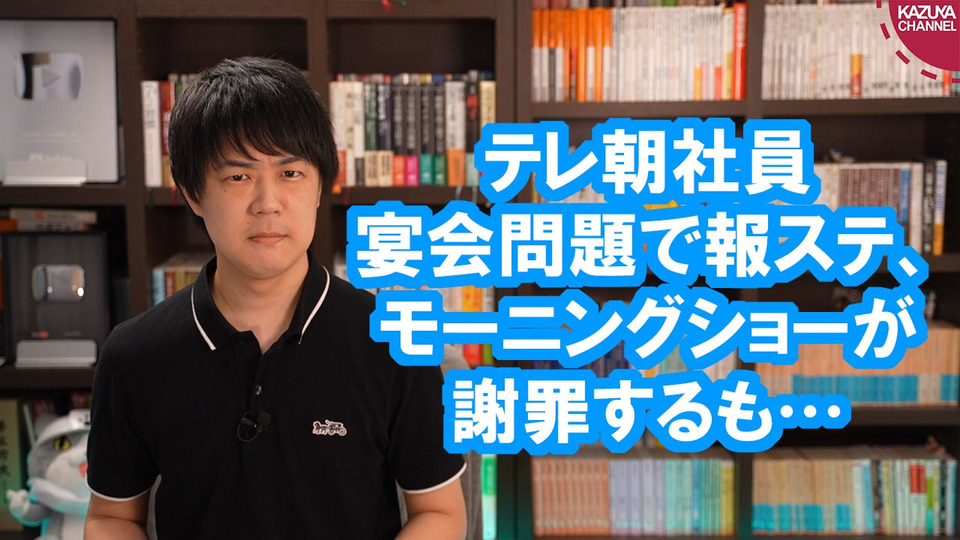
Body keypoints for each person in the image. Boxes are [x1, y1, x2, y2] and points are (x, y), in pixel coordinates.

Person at [84, 56, 467, 539]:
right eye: (238, 176)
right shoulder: (134, 355)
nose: (268, 203)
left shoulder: (397, 342)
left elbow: (441, 513)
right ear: (193, 194)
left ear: (321, 184)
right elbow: (110, 517)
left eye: (290, 173)